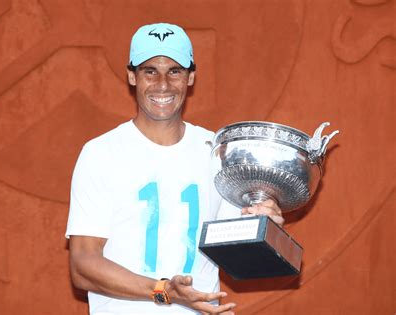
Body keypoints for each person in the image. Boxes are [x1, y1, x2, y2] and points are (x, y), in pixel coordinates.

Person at [65, 22, 284, 315]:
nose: (163, 84)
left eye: (175, 71)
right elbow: (82, 266)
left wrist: (265, 226)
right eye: (150, 71)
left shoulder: (217, 151)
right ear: (132, 76)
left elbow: (237, 254)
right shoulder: (101, 153)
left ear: (191, 77)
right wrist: (164, 291)